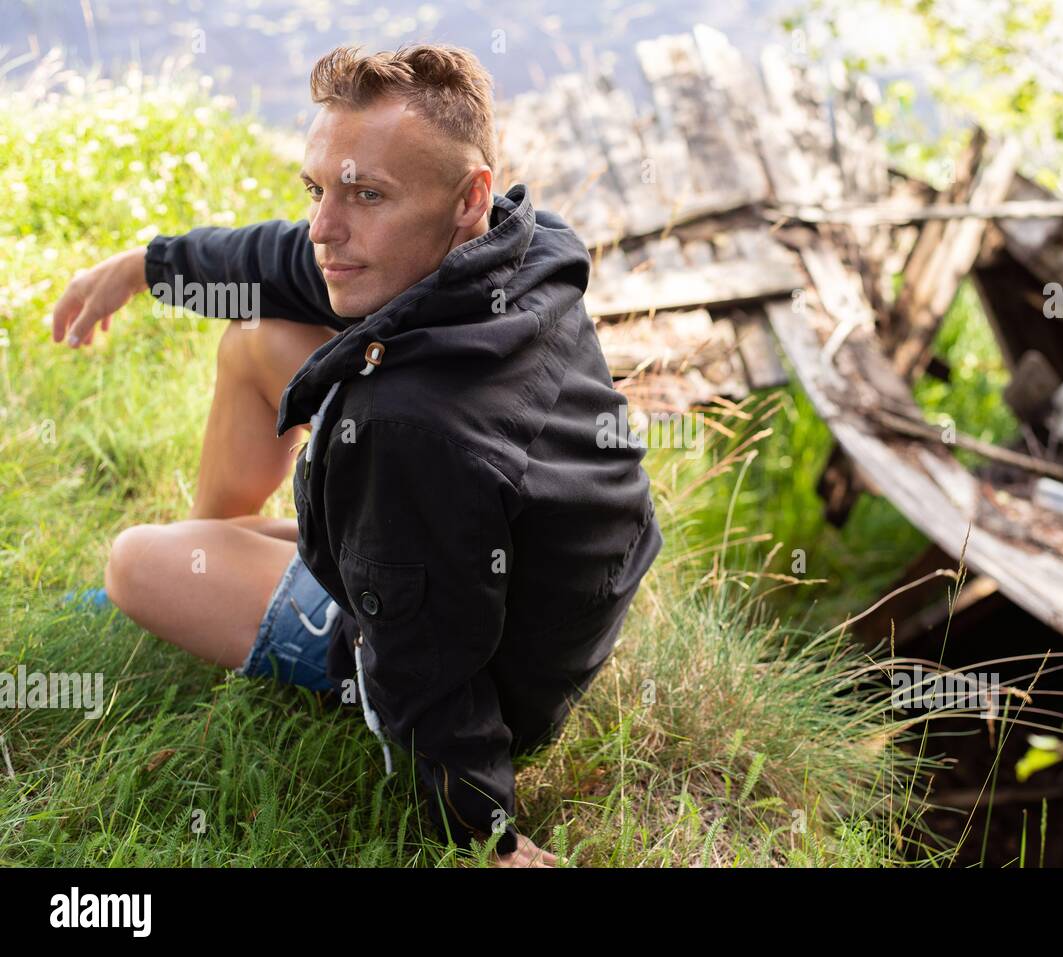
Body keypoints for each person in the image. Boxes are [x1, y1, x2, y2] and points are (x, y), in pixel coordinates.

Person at [49, 43, 662, 869]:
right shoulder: (527, 242)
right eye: (318, 189)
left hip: (490, 670)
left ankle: (202, 575)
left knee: (133, 562)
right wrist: (148, 265)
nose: (325, 226)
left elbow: (424, 658)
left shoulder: (408, 430)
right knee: (257, 339)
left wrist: (486, 833)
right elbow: (286, 263)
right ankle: (217, 560)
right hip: (516, 577)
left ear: (467, 196)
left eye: (366, 194)